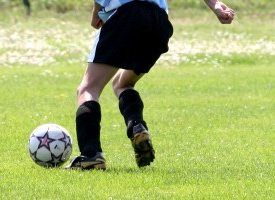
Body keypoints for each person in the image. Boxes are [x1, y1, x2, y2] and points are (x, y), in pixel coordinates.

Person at [65, 0, 234, 170]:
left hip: (127, 14)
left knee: (88, 88)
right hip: (158, 22)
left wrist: (95, 14)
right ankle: (137, 127)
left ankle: (90, 156)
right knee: (123, 83)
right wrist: (215, 5)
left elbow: (99, 5)